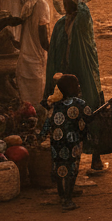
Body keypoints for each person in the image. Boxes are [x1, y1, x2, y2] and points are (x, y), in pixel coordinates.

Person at [44, 0, 105, 171]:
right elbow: (54, 50)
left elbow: (84, 12)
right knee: (67, 117)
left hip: (84, 72)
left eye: (68, 1)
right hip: (65, 75)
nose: (65, 4)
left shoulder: (83, 21)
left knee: (90, 111)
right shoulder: (61, 23)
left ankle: (96, 158)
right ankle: (69, 160)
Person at [0, 0, 52, 109]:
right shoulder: (42, 5)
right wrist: (53, 50)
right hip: (36, 62)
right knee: (38, 105)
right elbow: (42, 38)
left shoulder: (27, 5)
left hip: (23, 63)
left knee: (26, 104)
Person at [39, 74, 91, 211]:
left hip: (56, 141)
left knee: (59, 167)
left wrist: (41, 136)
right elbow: (88, 117)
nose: (79, 87)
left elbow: (47, 123)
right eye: (77, 85)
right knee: (71, 169)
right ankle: (68, 200)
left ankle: (62, 194)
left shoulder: (55, 104)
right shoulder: (79, 103)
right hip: (72, 141)